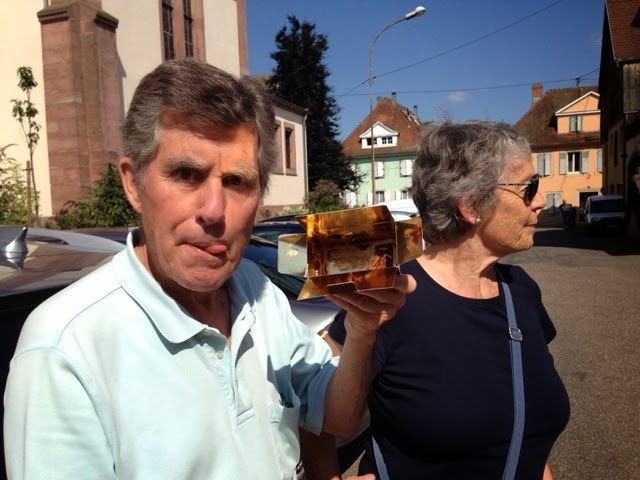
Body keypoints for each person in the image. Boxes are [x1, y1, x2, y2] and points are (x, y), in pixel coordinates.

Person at [3, 58, 414, 480]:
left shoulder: (256, 291)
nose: (214, 211)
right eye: (186, 174)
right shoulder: (65, 348)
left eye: (237, 181)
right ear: (133, 183)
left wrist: (361, 330)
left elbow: (336, 418)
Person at [326, 121, 570, 479]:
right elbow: (329, 421)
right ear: (471, 205)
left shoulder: (522, 290)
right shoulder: (391, 296)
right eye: (528, 187)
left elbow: (524, 430)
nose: (540, 201)